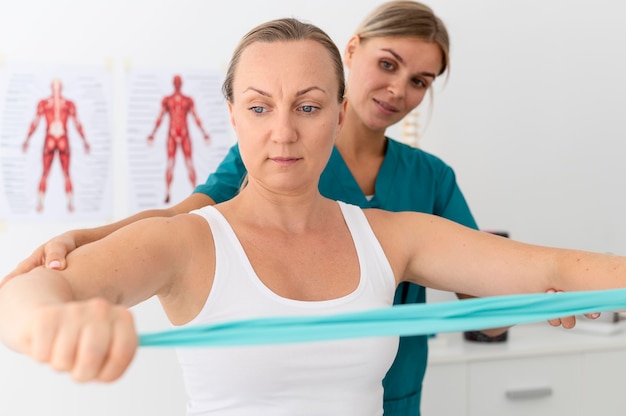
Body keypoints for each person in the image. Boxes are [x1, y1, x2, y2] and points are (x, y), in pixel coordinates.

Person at [0, 17, 623, 416]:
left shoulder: (393, 231)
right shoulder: (187, 243)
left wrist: (536, 295)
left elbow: (557, 267)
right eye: (259, 106)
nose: (283, 133)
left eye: (308, 106)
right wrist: (53, 322)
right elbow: (23, 296)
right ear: (233, 115)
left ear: (338, 109)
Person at [22, 78, 91, 213]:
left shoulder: (45, 103)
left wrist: (27, 139)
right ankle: (70, 205)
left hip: (51, 139)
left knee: (46, 173)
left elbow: (35, 122)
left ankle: (40, 204)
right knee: (66, 174)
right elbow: (77, 124)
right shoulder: (68, 104)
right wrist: (84, 141)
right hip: (62, 139)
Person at [147, 74, 211, 204]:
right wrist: (153, 133)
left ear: (181, 83)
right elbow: (160, 117)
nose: (177, 83)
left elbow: (195, 116)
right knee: (171, 163)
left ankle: (195, 193)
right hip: (172, 134)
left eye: (178, 81)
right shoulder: (167, 100)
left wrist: (204, 132)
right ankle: (168, 192)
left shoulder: (187, 100)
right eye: (175, 81)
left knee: (189, 163)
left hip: (184, 134)